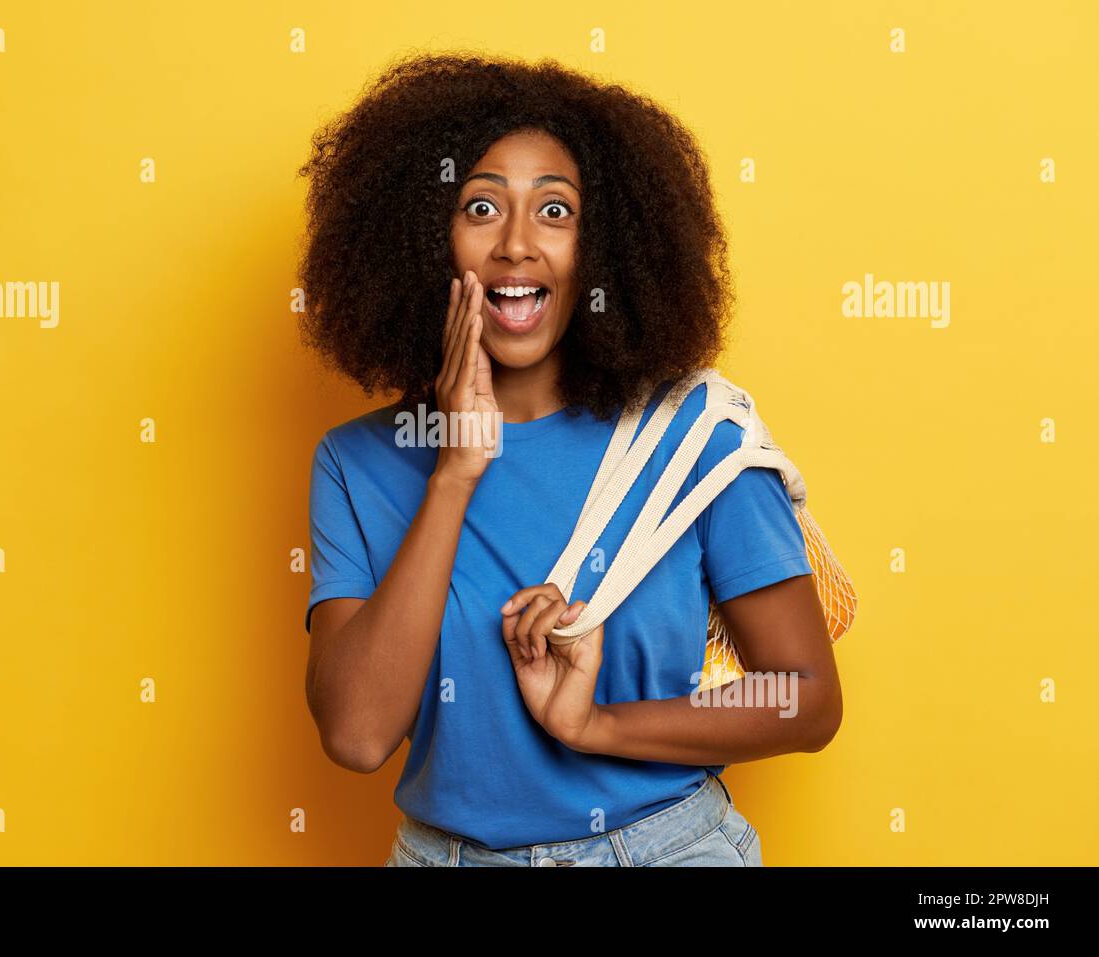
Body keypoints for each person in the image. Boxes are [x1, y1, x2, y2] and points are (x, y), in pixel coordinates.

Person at [297, 52, 843, 866]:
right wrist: (453, 473)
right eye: (481, 207)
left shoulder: (692, 437)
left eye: (556, 211)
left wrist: (597, 726)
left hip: (670, 849)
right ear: (421, 239)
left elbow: (806, 700)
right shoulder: (359, 463)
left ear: (604, 246)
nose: (517, 245)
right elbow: (358, 733)